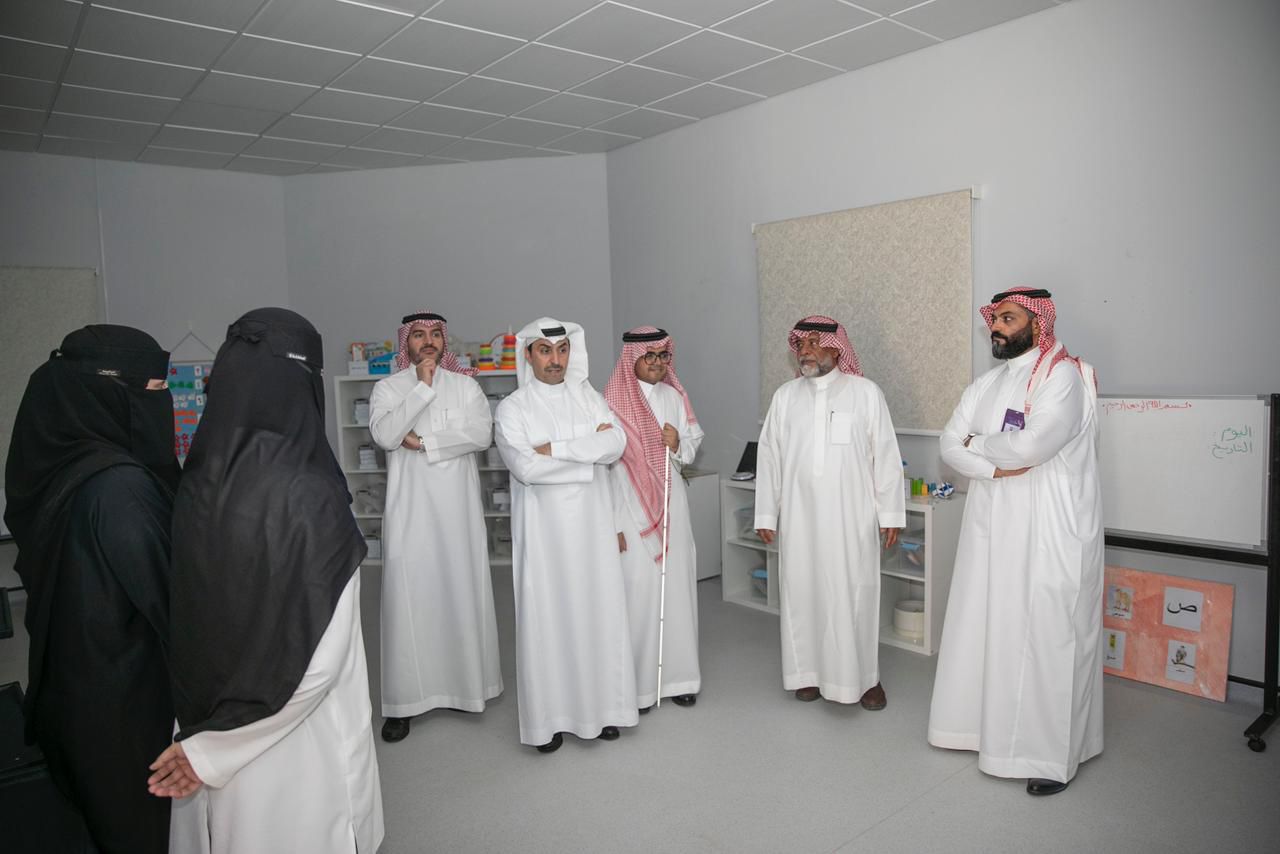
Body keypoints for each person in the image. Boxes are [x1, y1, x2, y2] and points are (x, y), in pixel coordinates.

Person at [147, 308, 384, 853]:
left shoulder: (198, 481)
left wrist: (205, 744)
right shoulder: (311, 498)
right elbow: (318, 665)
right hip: (291, 748)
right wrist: (212, 754)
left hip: (207, 718)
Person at [4, 325, 179, 854]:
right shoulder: (121, 489)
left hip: (73, 689)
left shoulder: (59, 459)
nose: (163, 404)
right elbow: (174, 605)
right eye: (153, 391)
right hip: (126, 711)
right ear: (108, 395)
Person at [928, 287, 1103, 796]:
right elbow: (947, 445)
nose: (997, 327)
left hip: (1049, 526)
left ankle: (1050, 757)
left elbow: (1034, 445)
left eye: (1008, 318)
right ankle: (978, 732)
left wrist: (977, 445)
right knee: (986, 625)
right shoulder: (985, 384)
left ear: (1038, 323)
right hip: (990, 521)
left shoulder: (1064, 377)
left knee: (1048, 636)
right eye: (994, 319)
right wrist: (991, 465)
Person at [494, 318, 637, 753]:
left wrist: (555, 449)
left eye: (561, 350)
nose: (555, 360)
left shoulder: (589, 397)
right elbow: (526, 468)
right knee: (549, 619)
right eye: (544, 350)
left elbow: (615, 445)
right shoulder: (512, 408)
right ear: (529, 355)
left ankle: (605, 711)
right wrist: (587, 457)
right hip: (545, 535)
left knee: (598, 614)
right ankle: (550, 722)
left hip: (593, 530)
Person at [754, 315, 905, 709]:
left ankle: (865, 680)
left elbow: (885, 455)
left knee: (854, 593)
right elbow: (769, 457)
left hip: (851, 517)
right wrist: (766, 514)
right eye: (800, 344)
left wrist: (890, 514)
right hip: (800, 517)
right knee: (802, 592)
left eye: (814, 343)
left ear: (837, 349)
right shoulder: (785, 396)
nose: (804, 351)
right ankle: (807, 674)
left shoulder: (865, 393)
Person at [369, 311, 502, 743]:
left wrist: (425, 442)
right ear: (406, 342)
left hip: (457, 513)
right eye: (418, 335)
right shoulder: (388, 388)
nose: (427, 341)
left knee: (459, 592)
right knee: (409, 601)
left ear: (445, 341)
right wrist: (422, 389)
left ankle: (465, 689)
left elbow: (481, 435)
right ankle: (404, 703)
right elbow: (386, 436)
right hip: (410, 513)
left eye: (435, 334)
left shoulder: (466, 386)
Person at [604, 326, 704, 711]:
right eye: (650, 356)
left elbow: (692, 445)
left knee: (676, 589)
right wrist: (612, 524)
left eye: (663, 356)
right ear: (632, 358)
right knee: (639, 591)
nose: (658, 363)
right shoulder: (610, 403)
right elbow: (603, 468)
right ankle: (641, 687)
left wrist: (678, 444)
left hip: (672, 502)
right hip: (627, 508)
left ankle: (680, 679)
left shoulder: (674, 397)